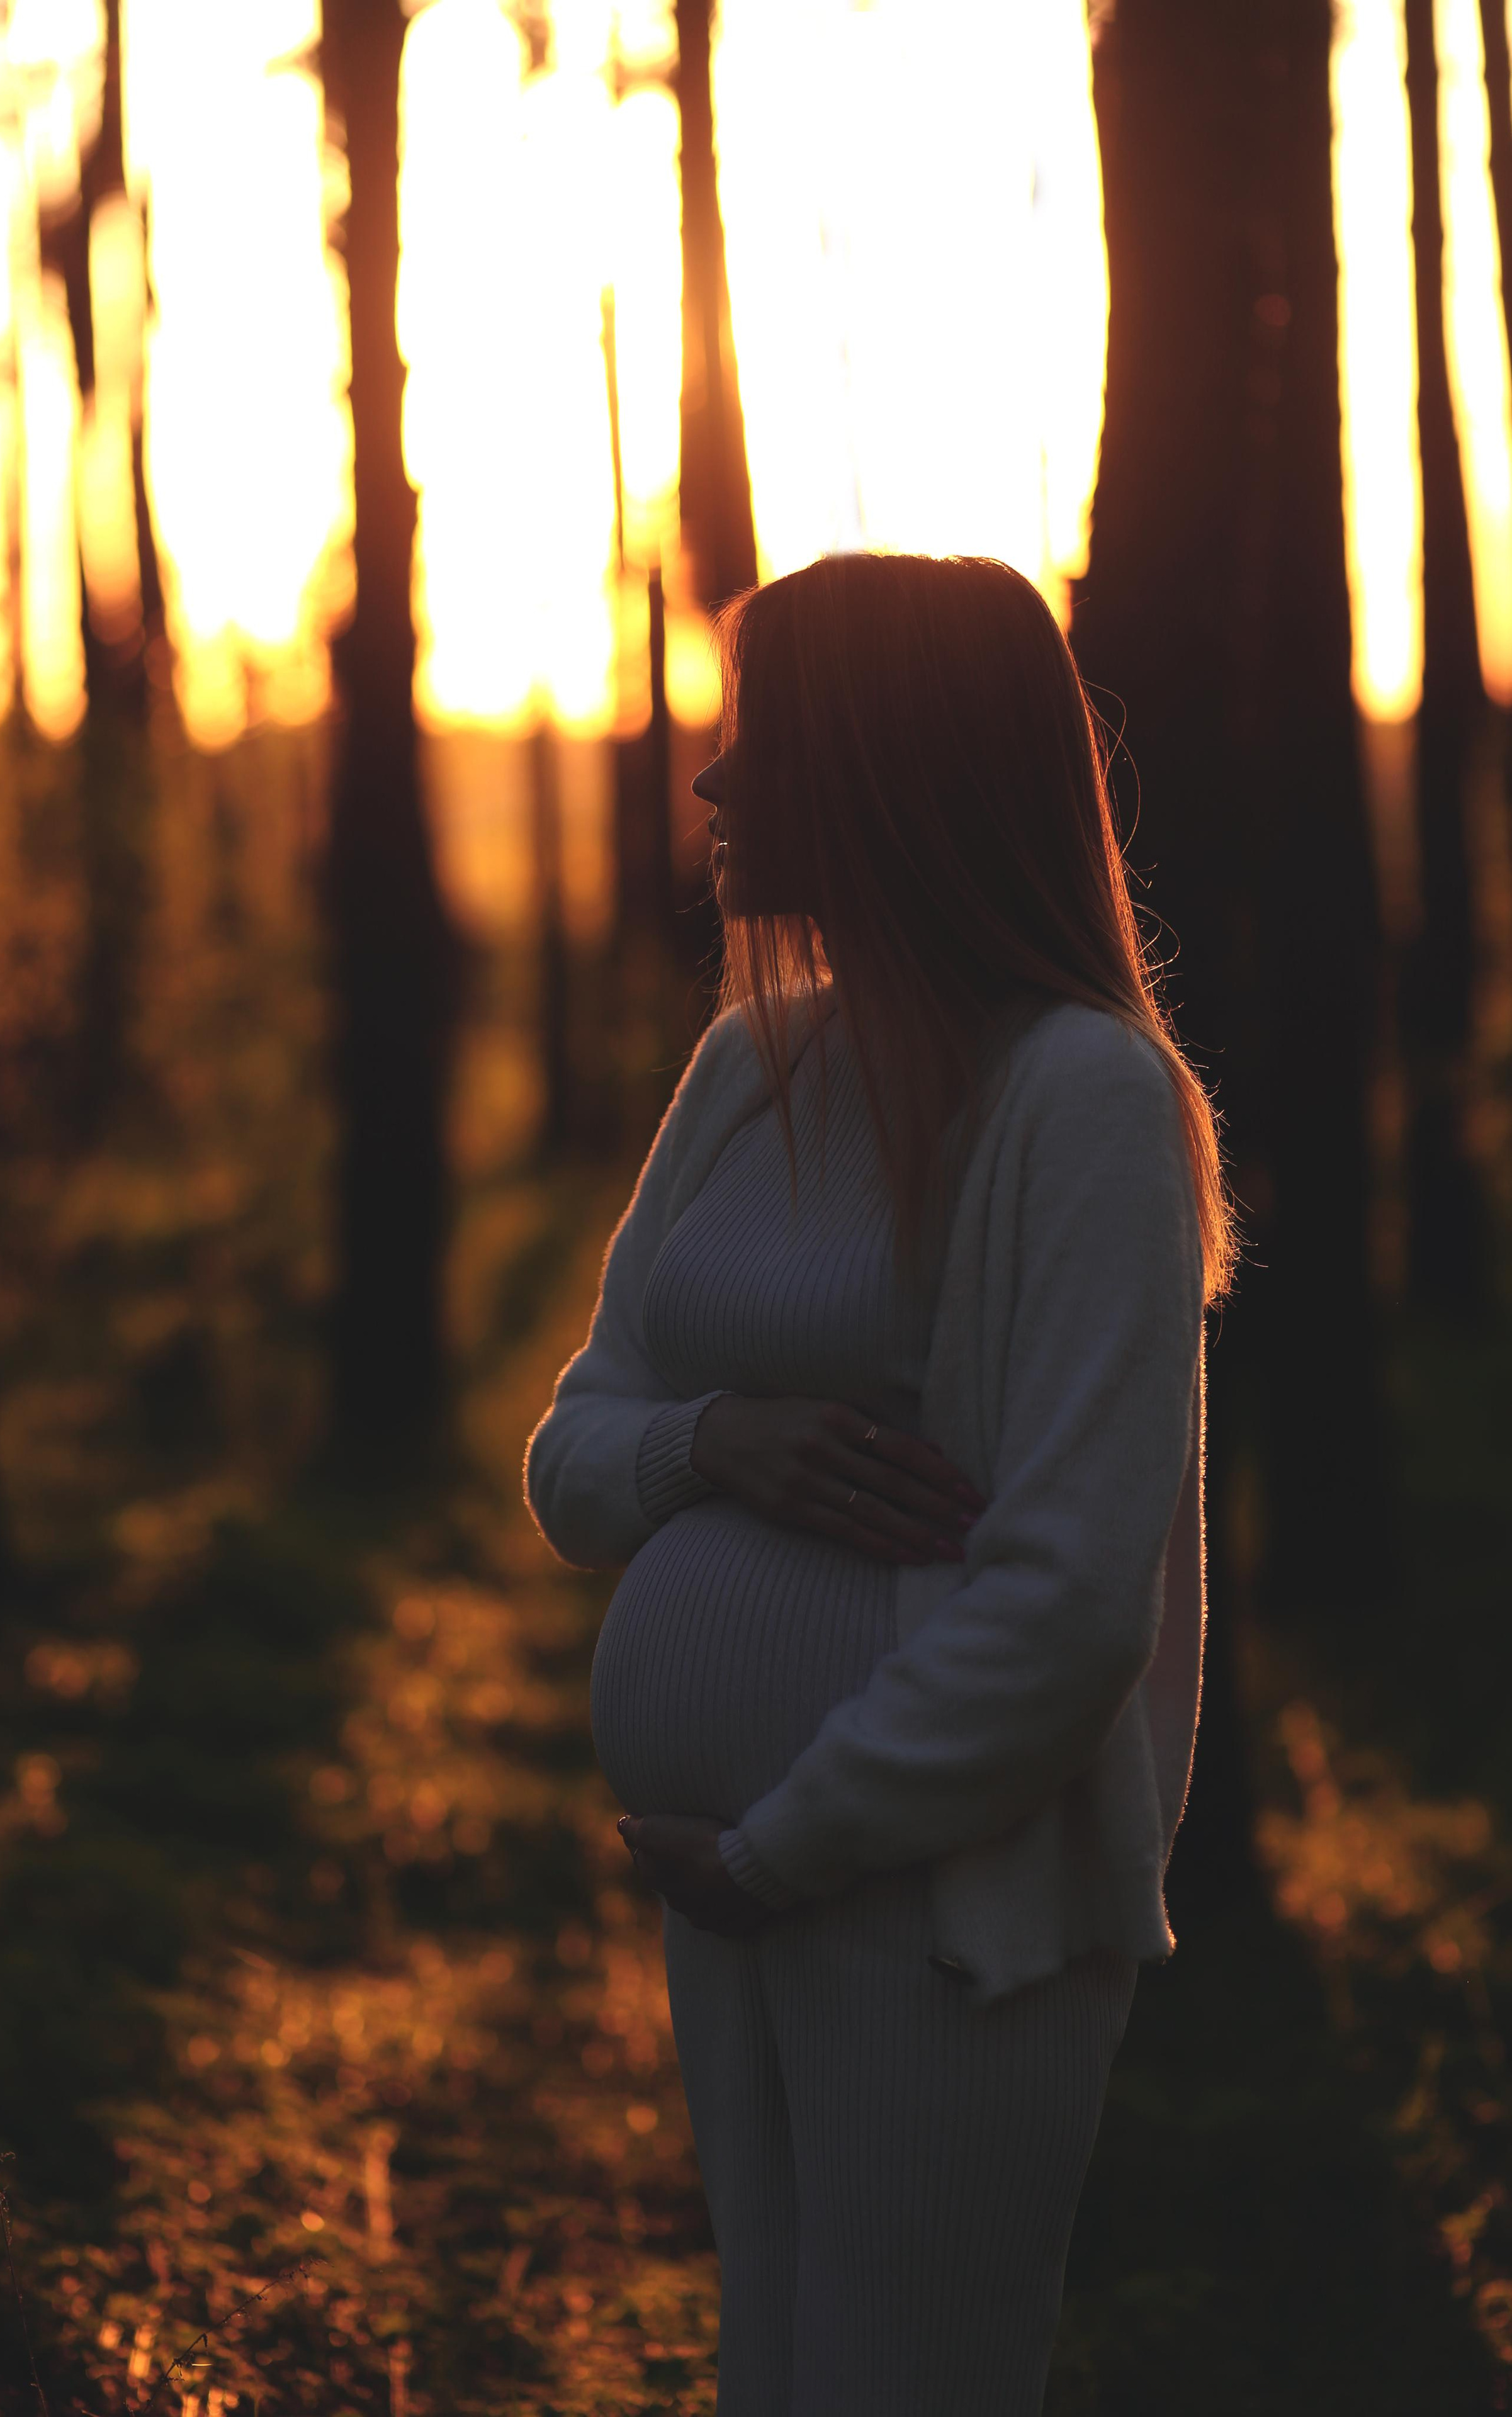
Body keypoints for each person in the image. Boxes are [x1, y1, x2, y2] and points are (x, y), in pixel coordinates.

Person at [525, 551, 1229, 2416]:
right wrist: (716, 1441)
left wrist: (788, 1845)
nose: (711, 785)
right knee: (781, 2365)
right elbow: (578, 1458)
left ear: (891, 767)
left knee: (908, 2382)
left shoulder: (1076, 1102)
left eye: (760, 742)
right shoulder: (757, 1064)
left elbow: (1075, 1598)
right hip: (735, 1890)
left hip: (938, 1907)